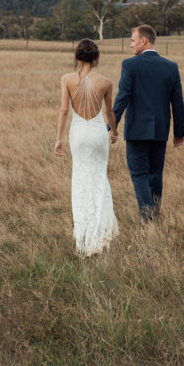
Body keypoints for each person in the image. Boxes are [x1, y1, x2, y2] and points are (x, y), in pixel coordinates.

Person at [112, 24, 184, 222]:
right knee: (155, 174)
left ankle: (148, 218)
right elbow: (177, 102)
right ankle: (155, 214)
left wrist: (111, 125)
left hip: (136, 130)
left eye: (132, 40)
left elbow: (122, 98)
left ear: (144, 41)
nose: (130, 44)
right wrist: (179, 133)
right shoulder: (170, 66)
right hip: (161, 130)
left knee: (139, 174)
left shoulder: (130, 65)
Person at [54, 39, 120, 256]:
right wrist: (114, 130)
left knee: (81, 177)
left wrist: (59, 138)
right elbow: (109, 112)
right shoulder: (106, 82)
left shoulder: (67, 79)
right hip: (98, 131)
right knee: (99, 177)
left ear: (77, 57)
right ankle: (102, 233)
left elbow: (64, 110)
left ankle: (83, 236)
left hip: (79, 132)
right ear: (96, 58)